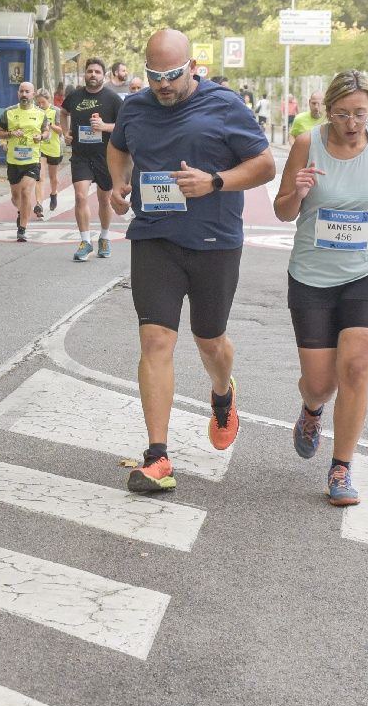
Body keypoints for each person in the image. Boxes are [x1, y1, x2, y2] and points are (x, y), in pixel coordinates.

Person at [107, 30, 275, 495]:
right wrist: (118, 184)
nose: (163, 84)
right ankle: (157, 457)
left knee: (209, 341)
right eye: (154, 75)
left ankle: (223, 393)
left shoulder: (225, 106)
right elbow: (119, 146)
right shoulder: (136, 107)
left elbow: (264, 165)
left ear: (193, 66)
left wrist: (216, 181)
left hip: (214, 241)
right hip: (154, 236)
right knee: (156, 339)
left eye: (172, 75)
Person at [273, 70, 368, 507]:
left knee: (357, 367)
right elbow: (283, 211)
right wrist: (298, 192)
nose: (352, 122)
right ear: (328, 110)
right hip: (313, 276)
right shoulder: (308, 144)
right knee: (321, 383)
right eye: (343, 113)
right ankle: (311, 410)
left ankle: (341, 467)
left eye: (361, 113)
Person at [62, 57, 122, 262]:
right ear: (85, 74)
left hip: (105, 156)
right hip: (80, 156)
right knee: (80, 196)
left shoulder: (112, 99)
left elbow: (124, 125)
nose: (93, 75)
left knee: (104, 200)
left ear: (103, 76)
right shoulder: (75, 96)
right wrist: (65, 133)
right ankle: (85, 241)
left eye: (97, 72)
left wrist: (104, 127)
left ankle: (104, 237)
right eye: (90, 71)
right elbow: (63, 112)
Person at [0, 80, 49, 241]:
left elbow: (46, 132)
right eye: (22, 91)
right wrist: (11, 134)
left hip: (32, 160)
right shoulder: (8, 112)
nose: (24, 94)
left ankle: (22, 229)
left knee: (26, 191)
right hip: (13, 160)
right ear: (18, 93)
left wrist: (40, 136)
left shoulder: (40, 113)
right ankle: (23, 210)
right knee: (15, 196)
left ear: (33, 94)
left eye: (27, 92)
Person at [34, 86, 63, 219]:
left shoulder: (56, 111)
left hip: (54, 148)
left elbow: (61, 130)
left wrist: (50, 125)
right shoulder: (35, 111)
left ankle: (53, 193)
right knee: (40, 177)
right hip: (40, 148)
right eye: (38, 103)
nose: (40, 105)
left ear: (48, 100)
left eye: (43, 102)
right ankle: (39, 204)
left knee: (53, 177)